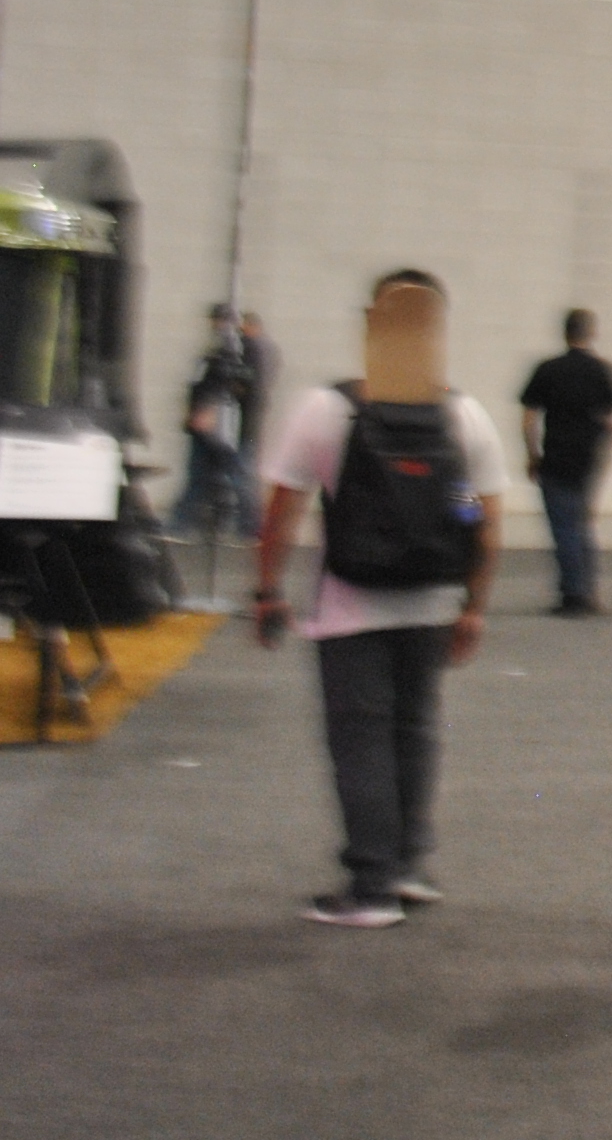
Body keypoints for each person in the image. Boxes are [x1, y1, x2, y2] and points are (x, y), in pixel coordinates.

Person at [250, 271, 507, 930]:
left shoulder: (326, 410)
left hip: (349, 605)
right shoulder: (463, 417)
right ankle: (408, 866)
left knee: (361, 739)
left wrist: (268, 590)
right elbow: (480, 520)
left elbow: (282, 513)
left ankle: (370, 887)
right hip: (431, 601)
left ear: (371, 325)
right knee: (415, 731)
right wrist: (473, 605)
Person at [518, 310, 612, 616]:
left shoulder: (548, 369)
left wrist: (532, 454)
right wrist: (609, 443)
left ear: (565, 333)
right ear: (591, 333)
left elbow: (529, 419)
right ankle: (587, 589)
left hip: (555, 455)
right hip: (589, 458)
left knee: (564, 526)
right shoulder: (603, 370)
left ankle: (574, 593)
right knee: (582, 523)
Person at [177, 306, 259, 547]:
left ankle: (248, 527)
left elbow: (238, 387)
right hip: (213, 427)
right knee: (202, 474)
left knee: (234, 475)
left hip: (229, 428)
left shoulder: (241, 353)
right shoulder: (216, 354)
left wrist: (208, 410)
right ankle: (182, 522)